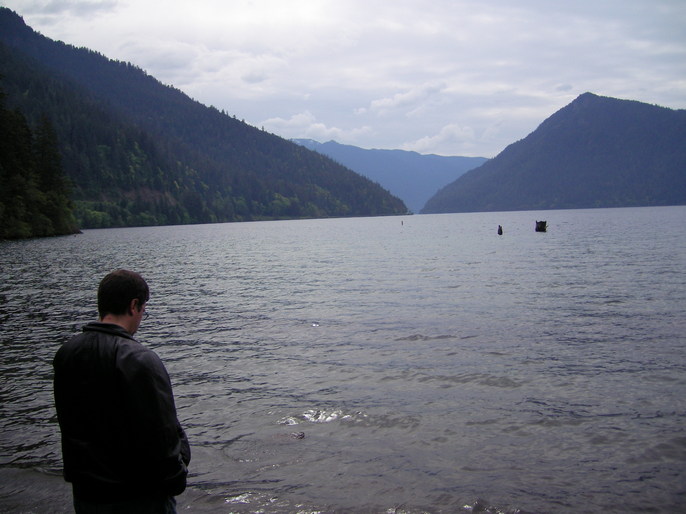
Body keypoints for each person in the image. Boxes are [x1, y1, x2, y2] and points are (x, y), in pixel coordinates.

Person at [53, 269, 190, 513]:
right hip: (140, 497)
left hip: (88, 495)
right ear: (134, 305)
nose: (141, 317)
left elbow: (70, 424)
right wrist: (177, 476)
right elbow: (163, 432)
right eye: (143, 309)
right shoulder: (140, 359)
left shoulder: (67, 354)